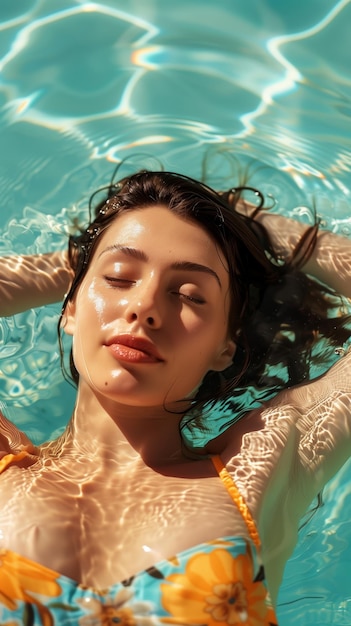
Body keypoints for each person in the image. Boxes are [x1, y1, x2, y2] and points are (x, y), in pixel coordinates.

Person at [1, 169, 351, 626]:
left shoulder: (260, 465)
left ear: (225, 347)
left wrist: (253, 223)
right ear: (70, 307)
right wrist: (76, 264)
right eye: (120, 277)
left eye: (188, 294)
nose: (144, 306)